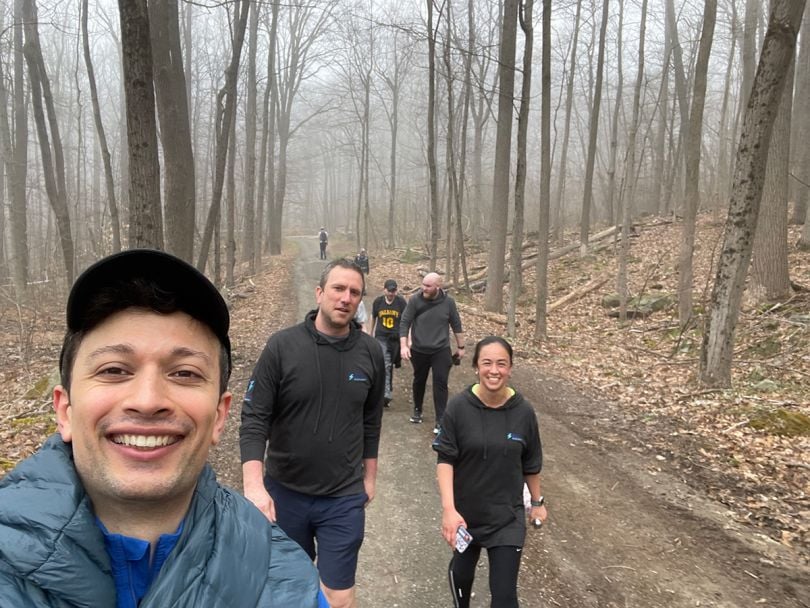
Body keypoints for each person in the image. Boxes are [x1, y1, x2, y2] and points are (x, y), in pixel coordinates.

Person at [0, 249, 325, 607]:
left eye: (184, 373)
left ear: (219, 416)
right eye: (114, 370)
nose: (148, 399)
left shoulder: (284, 579)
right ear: (64, 411)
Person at [240, 258, 385, 608]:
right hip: (284, 494)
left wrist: (369, 477)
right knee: (289, 592)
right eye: (338, 288)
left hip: (343, 497)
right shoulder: (282, 346)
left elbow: (371, 419)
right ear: (319, 293)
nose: (345, 298)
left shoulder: (370, 353)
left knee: (338, 596)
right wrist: (254, 487)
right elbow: (255, 417)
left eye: (354, 292)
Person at [432, 336, 547, 608]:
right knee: (460, 579)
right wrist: (449, 510)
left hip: (507, 517)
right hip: (465, 517)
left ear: (510, 368)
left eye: (501, 364)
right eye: (487, 363)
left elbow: (531, 463)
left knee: (505, 598)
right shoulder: (458, 407)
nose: (494, 370)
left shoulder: (524, 411)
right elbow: (445, 459)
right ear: (475, 367)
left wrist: (538, 502)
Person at [399, 272, 464, 433]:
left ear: (438, 287)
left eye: (428, 286)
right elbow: (405, 322)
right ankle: (417, 409)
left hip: (441, 350)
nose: (424, 288)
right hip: (419, 349)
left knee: (440, 383)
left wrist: (461, 347)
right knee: (419, 380)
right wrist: (404, 346)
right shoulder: (415, 300)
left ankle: (440, 420)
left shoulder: (448, 302)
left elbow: (456, 324)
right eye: (423, 284)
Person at [371, 279, 407, 407]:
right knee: (385, 364)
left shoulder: (401, 302)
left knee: (390, 365)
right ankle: (385, 394)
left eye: (394, 290)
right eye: (389, 290)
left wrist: (406, 339)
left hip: (395, 339)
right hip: (381, 337)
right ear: (384, 290)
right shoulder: (378, 302)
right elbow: (373, 318)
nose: (391, 293)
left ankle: (387, 391)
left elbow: (407, 321)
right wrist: (371, 335)